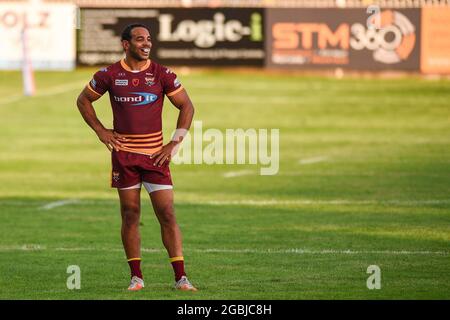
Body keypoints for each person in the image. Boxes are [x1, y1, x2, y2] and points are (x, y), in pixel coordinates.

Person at [76, 23, 196, 292]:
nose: (146, 43)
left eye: (149, 39)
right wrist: (100, 130)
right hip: (124, 158)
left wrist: (174, 143)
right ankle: (136, 277)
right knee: (130, 214)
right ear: (126, 44)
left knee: (166, 212)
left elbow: (187, 105)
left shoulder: (162, 74)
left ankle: (181, 278)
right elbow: (83, 100)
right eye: (140, 39)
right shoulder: (109, 74)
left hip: (156, 158)